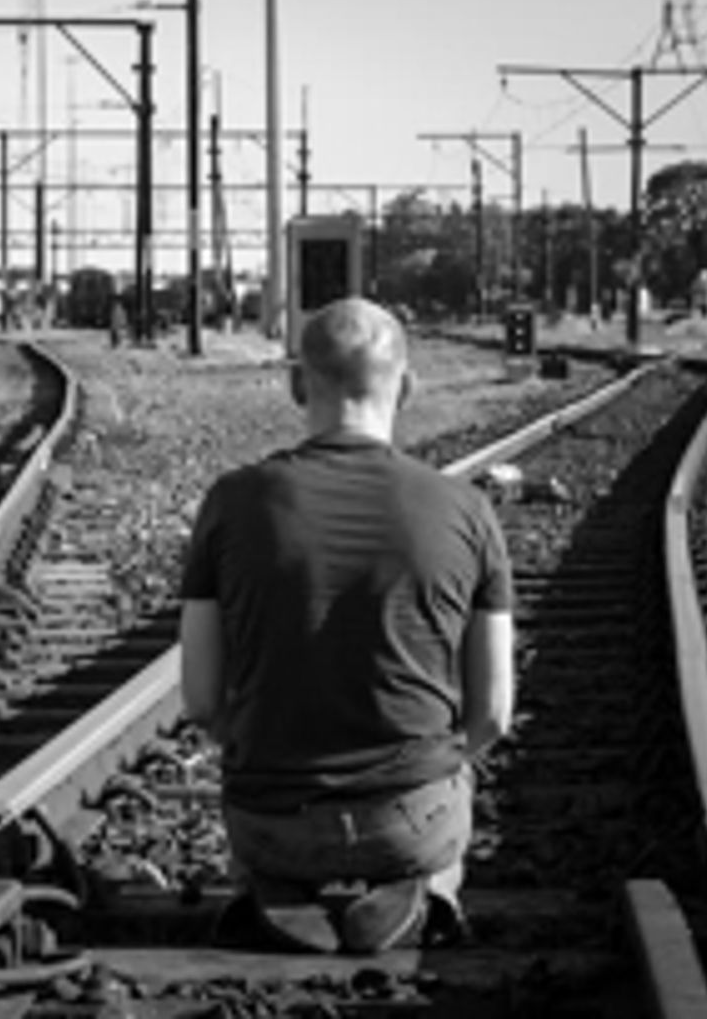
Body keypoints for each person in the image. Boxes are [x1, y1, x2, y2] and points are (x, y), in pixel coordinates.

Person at [178, 297, 515, 955]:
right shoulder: (468, 509)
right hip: (410, 822)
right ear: (408, 388)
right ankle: (426, 891)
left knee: (273, 841)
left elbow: (200, 700)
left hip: (269, 821)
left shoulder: (231, 502)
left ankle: (277, 890)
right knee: (444, 795)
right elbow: (494, 715)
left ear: (297, 385)